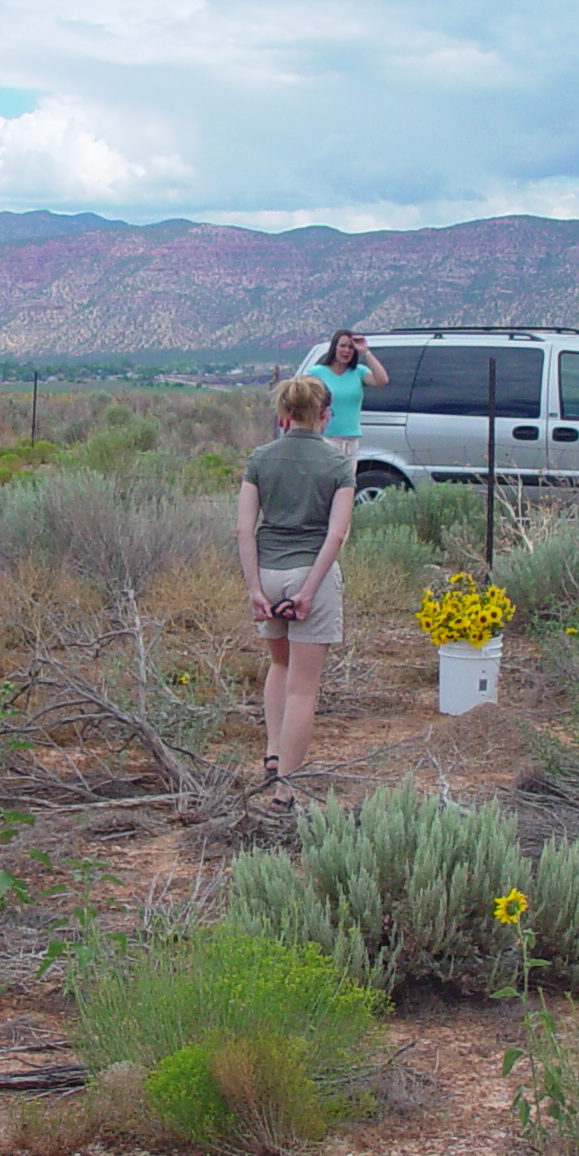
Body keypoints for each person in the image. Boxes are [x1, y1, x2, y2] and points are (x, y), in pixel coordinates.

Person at [238, 374, 356, 811]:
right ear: (325, 416)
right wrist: (308, 591)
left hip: (268, 573)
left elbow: (244, 527)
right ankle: (286, 788)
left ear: (284, 415)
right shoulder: (338, 464)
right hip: (312, 574)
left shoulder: (260, 458)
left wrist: (254, 588)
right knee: (304, 689)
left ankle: (273, 751)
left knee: (279, 663)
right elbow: (336, 534)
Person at [306, 328, 390, 458]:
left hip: (351, 440)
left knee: (348, 477)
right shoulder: (317, 372)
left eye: (351, 347)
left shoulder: (358, 371)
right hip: (326, 438)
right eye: (343, 346)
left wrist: (365, 352)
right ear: (334, 347)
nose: (346, 350)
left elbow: (382, 380)